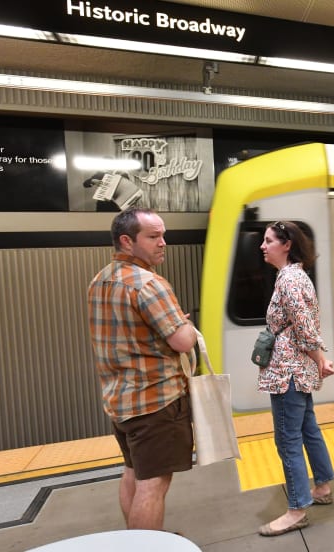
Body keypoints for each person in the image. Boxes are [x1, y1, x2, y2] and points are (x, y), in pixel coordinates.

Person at [87, 207, 197, 531]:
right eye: (153, 236)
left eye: (163, 235)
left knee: (133, 473)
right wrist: (187, 327)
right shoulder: (149, 283)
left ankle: (136, 540)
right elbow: (182, 341)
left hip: (120, 402)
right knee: (154, 485)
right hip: (156, 402)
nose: (163, 243)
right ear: (127, 241)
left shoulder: (100, 280)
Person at [257, 220, 334, 537]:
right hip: (298, 370)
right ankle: (322, 486)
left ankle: (296, 510)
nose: (263, 246)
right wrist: (317, 359)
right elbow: (304, 326)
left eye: (268, 241)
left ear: (286, 245)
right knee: (308, 429)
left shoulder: (288, 280)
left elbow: (304, 327)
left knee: (287, 439)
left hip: (287, 373)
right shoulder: (297, 275)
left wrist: (320, 358)